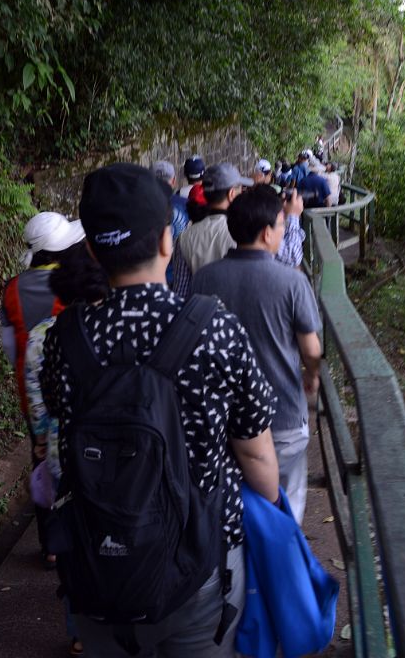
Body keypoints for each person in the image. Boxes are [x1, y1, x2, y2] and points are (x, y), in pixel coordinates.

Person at [40, 163, 280, 658]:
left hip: (100, 560)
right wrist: (273, 509)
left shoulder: (67, 338)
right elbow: (255, 451)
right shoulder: (215, 328)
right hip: (199, 560)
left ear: (91, 251)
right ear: (167, 241)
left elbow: (60, 414)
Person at [192, 184, 322, 524]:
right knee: (285, 501)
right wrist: (311, 374)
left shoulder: (204, 279)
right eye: (282, 225)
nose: (283, 231)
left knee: (233, 499)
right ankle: (281, 564)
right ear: (267, 233)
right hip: (282, 416)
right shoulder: (292, 282)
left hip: (221, 417)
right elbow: (311, 349)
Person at [23, 240, 109, 658]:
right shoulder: (115, 327)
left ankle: (79, 632)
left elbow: (38, 400)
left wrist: (41, 440)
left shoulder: (42, 335)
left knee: (74, 544)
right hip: (111, 454)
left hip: (62, 451)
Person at [0, 211, 86, 568]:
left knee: (41, 459)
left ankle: (50, 544)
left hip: (31, 388)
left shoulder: (12, 288)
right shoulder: (74, 282)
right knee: (76, 454)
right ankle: (78, 533)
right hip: (72, 384)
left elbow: (9, 347)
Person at [175, 162, 252, 280]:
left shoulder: (184, 238)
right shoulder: (243, 234)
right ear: (231, 194)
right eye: (240, 189)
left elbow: (181, 289)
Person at [154, 160, 189, 287]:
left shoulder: (143, 205)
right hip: (181, 273)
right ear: (173, 181)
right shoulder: (186, 204)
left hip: (153, 274)